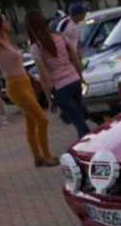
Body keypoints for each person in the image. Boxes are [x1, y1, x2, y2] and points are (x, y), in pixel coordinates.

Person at [0, 11, 58, 167]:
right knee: (42, 120)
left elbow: (17, 64)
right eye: (6, 20)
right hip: (15, 86)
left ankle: (38, 157)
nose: (9, 22)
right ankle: (46, 156)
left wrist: (30, 77)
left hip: (25, 82)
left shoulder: (8, 42)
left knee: (31, 123)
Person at [25, 8, 90, 139]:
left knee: (78, 122)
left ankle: (90, 145)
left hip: (61, 88)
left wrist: (50, 99)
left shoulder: (36, 48)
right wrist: (81, 78)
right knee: (79, 118)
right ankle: (90, 143)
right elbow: (75, 59)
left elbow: (44, 77)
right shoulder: (60, 36)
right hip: (75, 80)